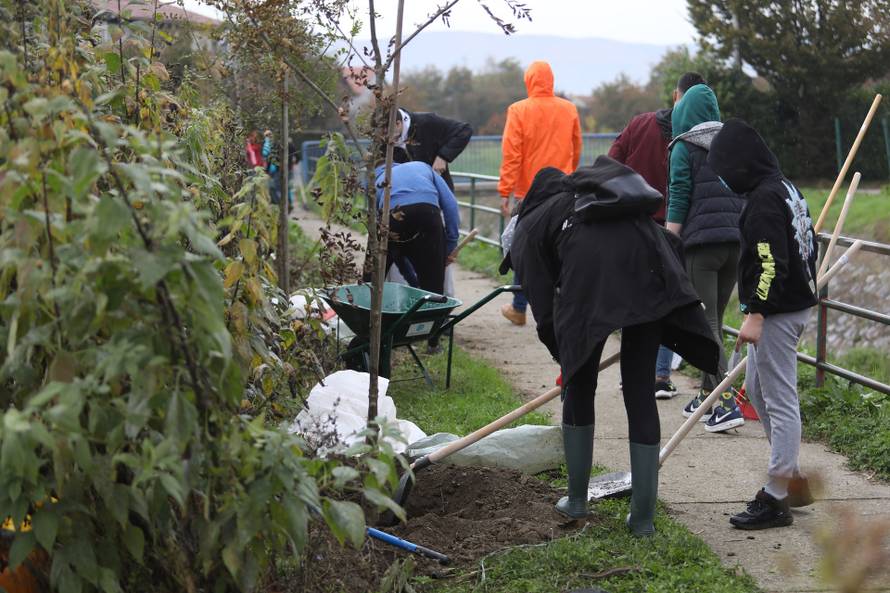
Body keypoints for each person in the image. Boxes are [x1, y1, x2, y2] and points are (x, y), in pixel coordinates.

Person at [502, 157, 718, 536]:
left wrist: (567, 360)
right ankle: (643, 520)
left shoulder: (530, 226)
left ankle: (577, 500)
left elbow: (545, 313)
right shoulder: (597, 198)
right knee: (639, 391)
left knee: (581, 385)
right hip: (651, 269)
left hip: (593, 279)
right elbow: (667, 240)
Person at [708, 118, 818, 529]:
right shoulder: (784, 187)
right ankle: (788, 478)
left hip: (777, 311)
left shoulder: (763, 201)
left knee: (779, 399)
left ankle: (775, 496)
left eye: (724, 172)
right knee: (757, 389)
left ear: (740, 166)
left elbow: (772, 262)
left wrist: (756, 313)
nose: (723, 179)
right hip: (789, 305)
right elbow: (809, 242)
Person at [608, 71, 706, 399]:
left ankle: (631, 373)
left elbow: (612, 162)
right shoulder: (700, 138)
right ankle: (661, 376)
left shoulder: (640, 124)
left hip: (633, 223)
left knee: (632, 298)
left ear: (676, 95)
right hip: (676, 228)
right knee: (667, 300)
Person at [665, 83, 746, 432]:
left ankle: (726, 403)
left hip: (702, 246)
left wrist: (668, 241)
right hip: (736, 243)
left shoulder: (684, 147)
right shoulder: (732, 144)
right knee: (715, 320)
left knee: (706, 322)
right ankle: (706, 394)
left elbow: (679, 196)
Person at [498, 60, 582, 327]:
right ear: (551, 80)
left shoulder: (519, 110)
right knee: (562, 248)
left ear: (529, 80)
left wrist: (505, 191)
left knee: (524, 247)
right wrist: (571, 177)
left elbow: (512, 153)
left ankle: (519, 307)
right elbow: (576, 147)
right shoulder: (569, 109)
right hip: (564, 190)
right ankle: (564, 308)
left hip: (530, 193)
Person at [375, 161, 460, 295]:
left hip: (392, 215)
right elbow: (451, 205)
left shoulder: (377, 181)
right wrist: (450, 246)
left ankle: (366, 309)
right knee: (433, 284)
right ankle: (433, 311)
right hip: (428, 213)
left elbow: (395, 251)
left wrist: (413, 282)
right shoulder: (422, 167)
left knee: (373, 276)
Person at [392, 108, 473, 192]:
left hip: (437, 189)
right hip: (406, 192)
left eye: (386, 131)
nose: (384, 136)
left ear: (398, 123)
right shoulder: (383, 139)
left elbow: (464, 131)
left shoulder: (426, 122)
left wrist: (443, 157)